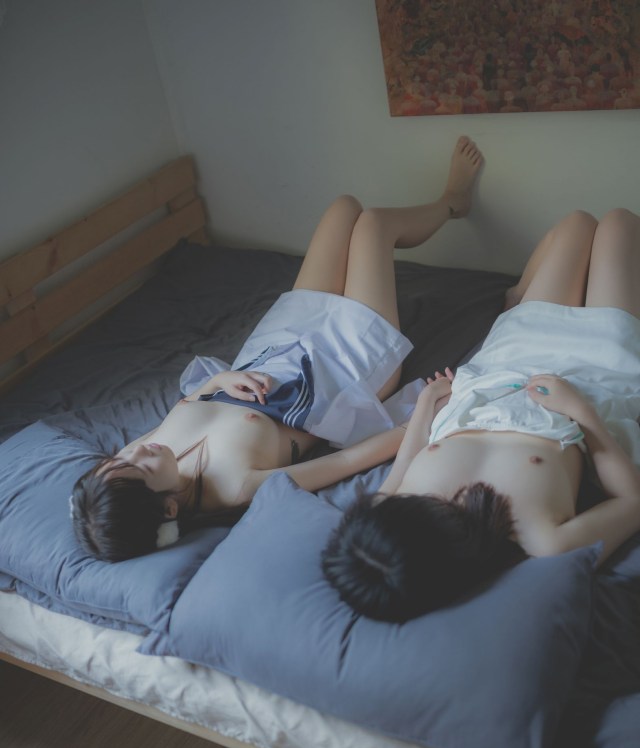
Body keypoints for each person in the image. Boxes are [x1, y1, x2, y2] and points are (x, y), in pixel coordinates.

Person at [71, 137, 484, 561]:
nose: (138, 451)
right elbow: (346, 464)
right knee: (373, 226)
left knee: (344, 209)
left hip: (275, 346)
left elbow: (193, 401)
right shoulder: (237, 486)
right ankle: (453, 202)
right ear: (169, 509)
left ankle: (440, 207)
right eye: (141, 467)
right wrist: (420, 415)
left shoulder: (135, 459)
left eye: (124, 457)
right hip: (340, 370)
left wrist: (221, 380)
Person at [322, 207, 640, 622]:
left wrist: (427, 405)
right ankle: (522, 299)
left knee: (577, 224)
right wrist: (580, 411)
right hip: (594, 375)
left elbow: (411, 454)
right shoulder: (544, 541)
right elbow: (631, 500)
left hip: (506, 362)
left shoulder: (387, 507)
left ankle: (516, 299)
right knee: (619, 224)